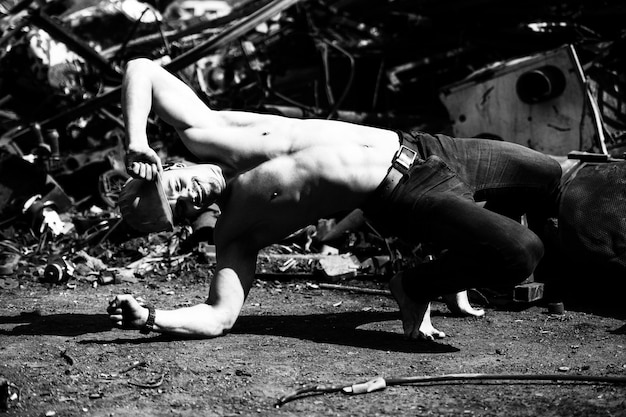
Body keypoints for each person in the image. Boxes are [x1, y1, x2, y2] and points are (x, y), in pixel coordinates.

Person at [108, 58, 562, 340]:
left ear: (173, 166)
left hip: (426, 147)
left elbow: (140, 69)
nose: (188, 194)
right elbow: (218, 316)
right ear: (188, 221)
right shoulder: (236, 234)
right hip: (407, 193)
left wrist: (135, 141)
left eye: (174, 186)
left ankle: (473, 260)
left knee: (547, 173)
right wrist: (152, 316)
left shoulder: (208, 130)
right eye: (180, 207)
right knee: (520, 251)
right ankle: (416, 285)